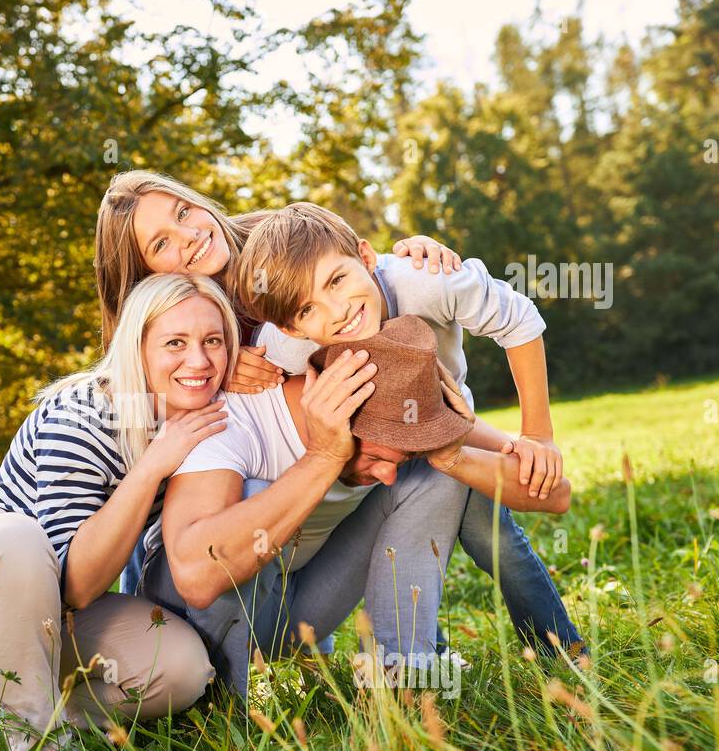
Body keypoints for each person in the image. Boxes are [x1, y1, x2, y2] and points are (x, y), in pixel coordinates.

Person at [0, 272, 241, 751]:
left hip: (55, 624)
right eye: (175, 342)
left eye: (212, 341)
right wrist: (152, 466)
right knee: (14, 536)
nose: (198, 361)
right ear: (137, 346)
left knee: (182, 669)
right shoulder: (83, 416)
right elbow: (78, 584)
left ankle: (41, 708)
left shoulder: (197, 420)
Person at [142, 314, 569, 701]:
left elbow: (557, 496)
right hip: (186, 629)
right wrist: (325, 458)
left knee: (436, 475)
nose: (386, 476)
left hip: (293, 613)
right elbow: (197, 580)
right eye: (377, 458)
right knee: (251, 498)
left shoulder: (404, 400)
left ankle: (400, 683)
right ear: (332, 416)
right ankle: (220, 712)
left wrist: (454, 456)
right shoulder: (232, 420)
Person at [234, 201, 585, 655]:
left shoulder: (424, 281)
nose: (337, 311)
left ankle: (561, 649)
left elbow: (518, 320)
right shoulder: (283, 345)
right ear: (291, 327)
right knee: (403, 531)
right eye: (308, 308)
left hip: (443, 416)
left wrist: (536, 434)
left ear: (365, 257)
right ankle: (420, 655)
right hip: (373, 441)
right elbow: (254, 388)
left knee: (492, 537)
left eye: (337, 280)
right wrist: (234, 369)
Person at [94, 169, 462, 593]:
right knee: (245, 501)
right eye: (161, 244)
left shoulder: (267, 239)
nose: (188, 235)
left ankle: (416, 636)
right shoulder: (160, 338)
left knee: (441, 472)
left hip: (328, 453)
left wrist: (406, 261)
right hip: (208, 497)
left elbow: (350, 274)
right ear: (146, 275)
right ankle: (162, 611)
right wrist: (215, 369)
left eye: (183, 212)